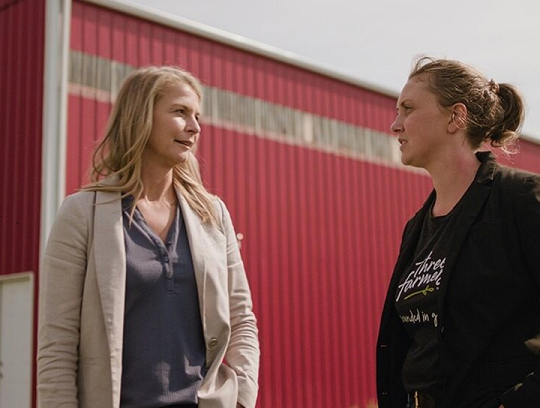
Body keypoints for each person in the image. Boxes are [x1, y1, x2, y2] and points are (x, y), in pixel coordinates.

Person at [37, 66, 260, 408]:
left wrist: (242, 397)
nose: (195, 127)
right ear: (141, 116)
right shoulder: (83, 213)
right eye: (180, 112)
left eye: (197, 116)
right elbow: (58, 342)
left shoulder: (212, 215)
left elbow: (241, 318)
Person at [376, 56, 540, 408]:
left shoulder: (522, 201)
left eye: (408, 109)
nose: (395, 125)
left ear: (456, 117)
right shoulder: (416, 229)